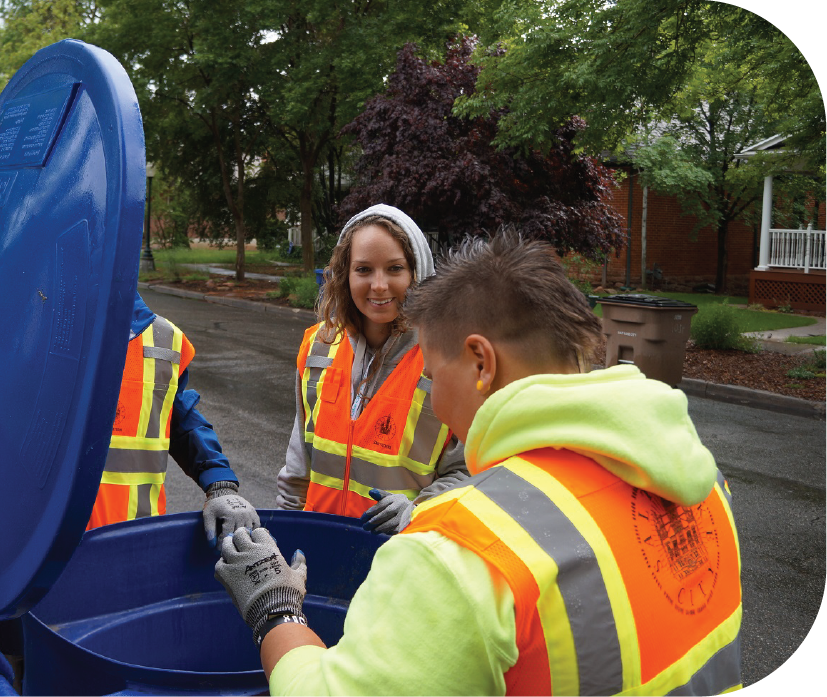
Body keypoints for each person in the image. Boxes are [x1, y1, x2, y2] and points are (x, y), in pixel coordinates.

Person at [216, 231, 742, 696]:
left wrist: (275, 609)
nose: (433, 400)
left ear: (481, 362)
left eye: (431, 374)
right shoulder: (703, 484)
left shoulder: (459, 551)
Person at [0, 160, 259, 542]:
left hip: (126, 559)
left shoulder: (160, 339)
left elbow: (178, 416)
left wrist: (220, 485)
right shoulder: (2, 328)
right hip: (22, 574)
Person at [276, 204, 468, 535]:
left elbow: (470, 472)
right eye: (363, 269)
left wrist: (418, 511)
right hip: (319, 550)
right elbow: (298, 466)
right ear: (344, 274)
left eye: (395, 269)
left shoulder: (448, 358)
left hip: (400, 564)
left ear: (417, 274)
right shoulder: (318, 346)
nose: (379, 286)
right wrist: (282, 533)